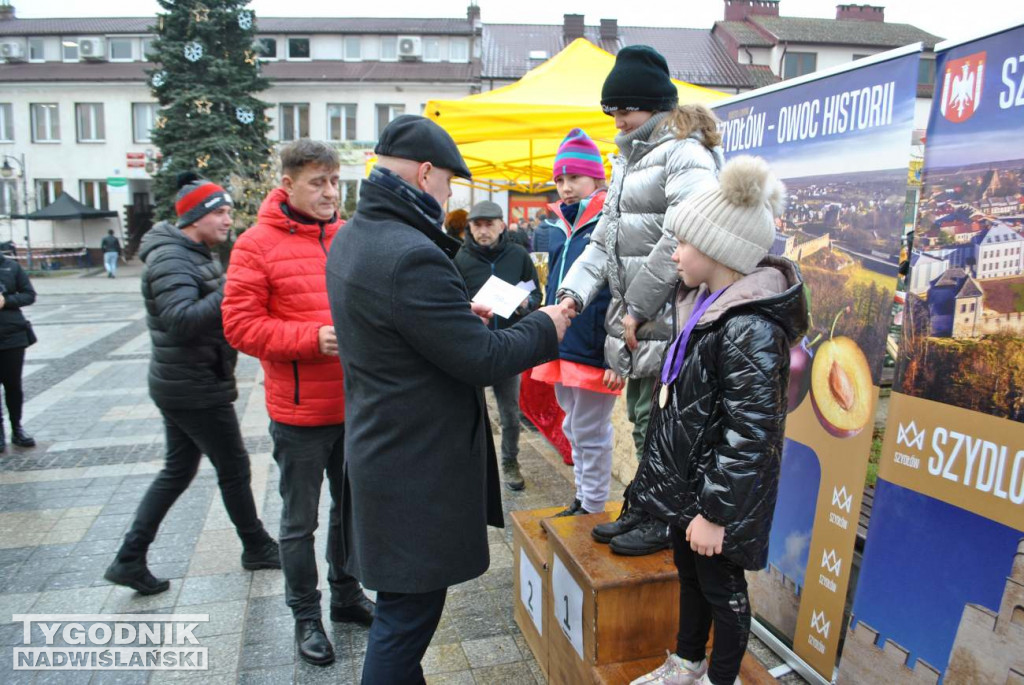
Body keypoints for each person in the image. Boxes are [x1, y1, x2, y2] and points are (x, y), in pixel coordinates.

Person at [326, 114, 573, 684]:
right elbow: (482, 361)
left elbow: (394, 324)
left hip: (381, 447)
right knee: (406, 619)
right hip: (413, 466)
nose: (448, 197)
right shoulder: (410, 253)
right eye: (446, 186)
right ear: (425, 172)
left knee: (402, 612)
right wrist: (548, 324)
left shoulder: (356, 235)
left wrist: (451, 319)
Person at [628, 157, 807, 685]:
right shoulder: (707, 306)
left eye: (682, 242)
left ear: (718, 247)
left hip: (720, 501)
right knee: (689, 573)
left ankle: (720, 678)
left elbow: (750, 432)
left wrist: (715, 512)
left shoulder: (748, 327)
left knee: (722, 590)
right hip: (694, 491)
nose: (675, 253)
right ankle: (687, 661)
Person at [557, 45, 725, 556]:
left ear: (654, 106)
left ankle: (663, 518)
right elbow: (602, 242)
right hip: (641, 323)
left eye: (624, 110)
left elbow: (681, 239)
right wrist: (571, 296)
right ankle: (644, 506)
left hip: (671, 320)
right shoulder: (631, 159)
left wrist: (636, 308)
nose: (617, 121)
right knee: (640, 419)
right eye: (611, 112)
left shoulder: (686, 154)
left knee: (666, 427)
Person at [222, 140, 374, 667]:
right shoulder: (255, 244)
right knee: (299, 522)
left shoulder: (350, 235)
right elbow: (239, 326)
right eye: (318, 182)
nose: (331, 192)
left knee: (350, 513)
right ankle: (305, 615)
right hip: (301, 412)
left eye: (335, 181)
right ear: (287, 183)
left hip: (356, 405)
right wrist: (311, 339)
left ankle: (347, 595)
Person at [104, 173, 280, 596]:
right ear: (195, 217)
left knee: (178, 470)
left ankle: (130, 557)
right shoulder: (171, 258)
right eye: (219, 213)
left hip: (188, 380)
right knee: (234, 467)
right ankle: (255, 544)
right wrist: (230, 286)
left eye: (228, 212)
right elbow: (181, 321)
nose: (227, 221)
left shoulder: (193, 251)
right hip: (192, 386)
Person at [532, 128, 621, 516]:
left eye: (574, 178)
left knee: (590, 429)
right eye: (560, 180)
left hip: (595, 342)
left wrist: (618, 351)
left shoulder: (610, 220)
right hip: (563, 340)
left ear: (596, 178)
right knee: (573, 426)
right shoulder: (557, 225)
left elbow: (624, 288)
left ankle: (594, 503)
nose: (566, 187)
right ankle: (583, 497)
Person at [454, 200, 542, 491]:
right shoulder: (460, 260)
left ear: (502, 225)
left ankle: (509, 461)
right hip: (471, 348)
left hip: (507, 346)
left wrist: (526, 304)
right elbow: (450, 300)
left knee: (509, 413)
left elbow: (535, 292)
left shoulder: (518, 256)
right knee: (468, 415)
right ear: (469, 228)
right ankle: (470, 465)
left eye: (489, 224)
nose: (483, 231)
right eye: (477, 225)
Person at [0, 251, 37, 451]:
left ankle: (17, 428)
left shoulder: (11, 266)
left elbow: (29, 295)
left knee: (13, 385)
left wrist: (7, 301)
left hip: (12, 335)